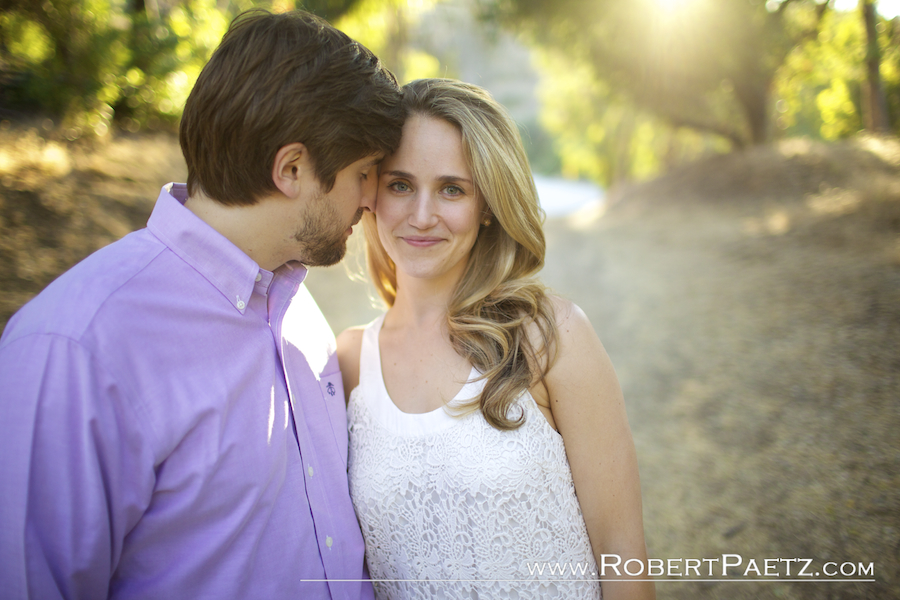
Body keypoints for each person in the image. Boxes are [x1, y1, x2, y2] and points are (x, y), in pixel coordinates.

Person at [0, 9, 403, 599]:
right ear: (292, 168)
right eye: (364, 173)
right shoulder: (76, 346)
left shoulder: (298, 312)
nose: (371, 201)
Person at [337, 79, 655, 600]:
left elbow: (622, 555)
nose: (421, 215)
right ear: (370, 193)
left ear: (487, 203)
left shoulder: (551, 335)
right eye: (399, 185)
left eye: (452, 188)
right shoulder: (349, 362)